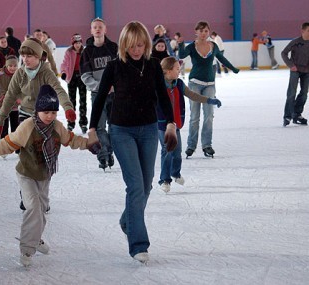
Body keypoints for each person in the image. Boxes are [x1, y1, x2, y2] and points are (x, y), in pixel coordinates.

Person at [0, 84, 101, 267]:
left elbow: (71, 140)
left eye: (53, 112)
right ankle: (27, 248)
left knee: (42, 209)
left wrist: (88, 145)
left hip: (44, 175)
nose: (50, 116)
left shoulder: (57, 127)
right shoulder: (27, 127)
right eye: (46, 112)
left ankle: (36, 237)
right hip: (26, 174)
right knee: (33, 207)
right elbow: (7, 144)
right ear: (38, 110)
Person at [89, 21, 178, 263]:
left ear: (146, 44)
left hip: (149, 130)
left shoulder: (152, 66)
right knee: (136, 185)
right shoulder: (114, 66)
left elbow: (162, 96)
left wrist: (170, 123)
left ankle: (127, 220)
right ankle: (138, 244)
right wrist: (92, 129)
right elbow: (98, 100)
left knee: (147, 185)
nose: (136, 50)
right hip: (121, 131)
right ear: (124, 45)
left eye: (140, 45)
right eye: (131, 45)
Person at [0, 38, 76, 211]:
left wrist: (67, 107)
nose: (25, 59)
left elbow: (58, 89)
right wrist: (1, 120)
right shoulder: (21, 72)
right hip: (25, 117)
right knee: (27, 155)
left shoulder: (46, 72)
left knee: (43, 156)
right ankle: (27, 194)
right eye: (23, 56)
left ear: (38, 56)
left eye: (30, 56)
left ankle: (42, 194)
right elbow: (9, 96)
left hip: (44, 118)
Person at [158, 57, 222, 192]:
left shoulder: (179, 84)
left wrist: (209, 100)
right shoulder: (158, 85)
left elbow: (193, 95)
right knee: (167, 151)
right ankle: (165, 180)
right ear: (168, 71)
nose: (179, 70)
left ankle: (175, 173)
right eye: (177, 68)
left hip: (175, 124)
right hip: (162, 125)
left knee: (177, 152)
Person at [177, 21, 239, 158]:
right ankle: (191, 146)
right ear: (196, 32)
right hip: (194, 84)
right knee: (194, 116)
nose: (204, 33)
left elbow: (222, 58)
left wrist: (233, 68)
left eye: (206, 31)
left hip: (210, 84)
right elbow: (181, 55)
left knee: (209, 116)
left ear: (209, 32)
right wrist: (181, 44)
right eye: (201, 31)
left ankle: (207, 145)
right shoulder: (192, 47)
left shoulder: (214, 46)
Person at [80, 17, 118, 170]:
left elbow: (120, 69)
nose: (97, 29)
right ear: (91, 31)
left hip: (115, 93)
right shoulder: (87, 52)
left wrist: (114, 85)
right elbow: (85, 75)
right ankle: (104, 155)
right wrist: (100, 87)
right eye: (94, 27)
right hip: (97, 94)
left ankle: (110, 151)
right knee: (99, 127)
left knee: (114, 125)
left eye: (100, 27)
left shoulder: (113, 48)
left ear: (105, 29)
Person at [281, 22, 309, 127]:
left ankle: (297, 114)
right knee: (291, 93)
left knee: (304, 94)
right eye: (308, 31)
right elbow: (283, 53)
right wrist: (291, 65)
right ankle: (287, 115)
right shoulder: (295, 42)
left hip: (307, 71)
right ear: (302, 31)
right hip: (295, 70)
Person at [60, 33, 88, 133]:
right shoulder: (69, 52)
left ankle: (83, 123)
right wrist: (63, 73)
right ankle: (71, 123)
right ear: (73, 44)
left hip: (82, 78)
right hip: (72, 78)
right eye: (76, 43)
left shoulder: (84, 52)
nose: (78, 45)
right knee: (72, 101)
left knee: (83, 101)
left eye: (79, 42)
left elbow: (88, 64)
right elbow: (64, 63)